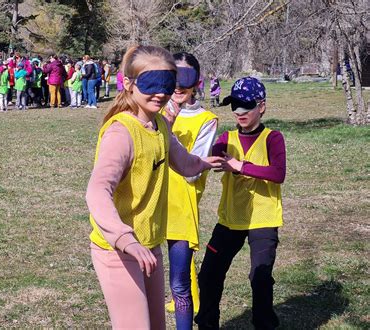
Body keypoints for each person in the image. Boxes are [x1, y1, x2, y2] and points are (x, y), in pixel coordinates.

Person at [85, 45, 223, 329]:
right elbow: (97, 192)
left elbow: (183, 163)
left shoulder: (159, 124)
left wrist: (209, 163)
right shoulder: (121, 132)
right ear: (128, 84)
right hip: (118, 251)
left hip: (148, 247)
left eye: (167, 84)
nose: (160, 93)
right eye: (151, 84)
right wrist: (126, 240)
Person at [194, 77, 286, 330]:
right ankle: (207, 324)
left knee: (261, 278)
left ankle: (264, 324)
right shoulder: (226, 137)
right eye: (234, 105)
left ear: (262, 106)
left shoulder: (272, 138)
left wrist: (240, 166)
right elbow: (212, 154)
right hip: (230, 219)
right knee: (209, 275)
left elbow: (278, 173)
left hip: (263, 220)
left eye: (246, 105)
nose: (239, 112)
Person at [165, 52, 218, 330]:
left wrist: (168, 131)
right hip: (149, 204)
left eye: (186, 78)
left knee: (179, 285)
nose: (178, 86)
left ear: (196, 82)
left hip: (180, 209)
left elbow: (193, 172)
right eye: (174, 76)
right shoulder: (152, 110)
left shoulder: (207, 119)